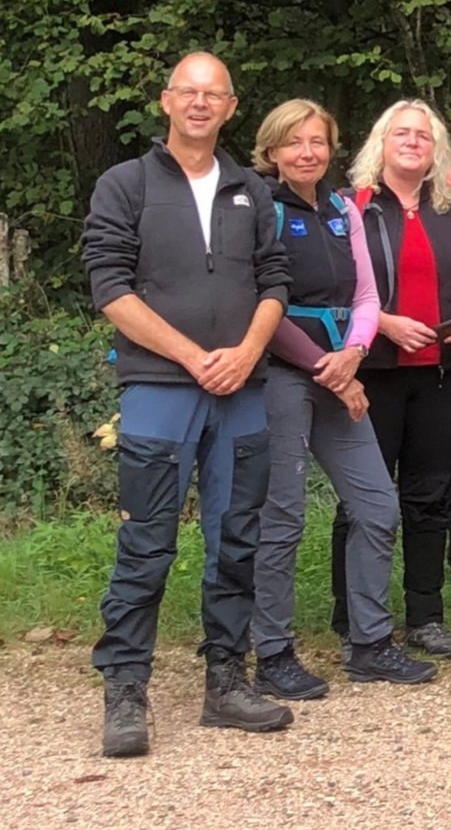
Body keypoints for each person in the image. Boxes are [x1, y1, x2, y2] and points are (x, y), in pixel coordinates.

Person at [84, 53, 296, 757]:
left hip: (242, 391)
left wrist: (245, 354)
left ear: (232, 108)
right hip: (159, 392)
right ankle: (125, 692)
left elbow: (275, 281)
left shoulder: (250, 191)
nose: (200, 104)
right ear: (166, 101)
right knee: (145, 544)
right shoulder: (126, 185)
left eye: (214, 95)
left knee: (236, 541)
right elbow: (111, 288)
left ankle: (226, 684)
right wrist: (189, 355)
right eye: (189, 92)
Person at [244, 100, 436, 701]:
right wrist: (327, 366)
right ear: (271, 151)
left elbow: (367, 293)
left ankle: (370, 642)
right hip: (280, 373)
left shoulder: (339, 210)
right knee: (283, 516)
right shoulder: (260, 208)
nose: (307, 153)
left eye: (318, 142)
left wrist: (352, 354)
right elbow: (260, 300)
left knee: (377, 506)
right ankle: (272, 651)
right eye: (294, 142)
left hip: (340, 370)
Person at [335, 100, 451, 662]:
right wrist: (383, 322)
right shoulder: (352, 206)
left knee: (430, 495)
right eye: (400, 133)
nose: (412, 142)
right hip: (372, 371)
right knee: (363, 498)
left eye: (422, 136)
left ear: (437, 148)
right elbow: (333, 287)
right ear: (380, 141)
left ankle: (426, 615)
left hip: (443, 372)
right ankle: (352, 614)